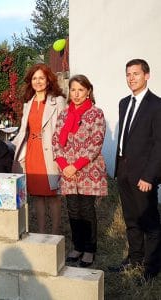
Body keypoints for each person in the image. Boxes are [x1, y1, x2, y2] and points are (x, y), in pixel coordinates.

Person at [110, 59, 161, 282]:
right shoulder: (123, 103)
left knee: (149, 223)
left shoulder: (157, 105)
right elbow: (126, 137)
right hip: (124, 171)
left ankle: (151, 268)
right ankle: (135, 258)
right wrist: (118, 169)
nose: (131, 78)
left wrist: (149, 176)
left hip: (144, 176)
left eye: (136, 74)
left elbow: (159, 144)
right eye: (128, 74)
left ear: (147, 76)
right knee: (131, 219)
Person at [52, 74, 108, 267]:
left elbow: (95, 143)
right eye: (73, 90)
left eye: (80, 90)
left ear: (88, 92)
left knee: (86, 210)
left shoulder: (96, 114)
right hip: (67, 171)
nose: (76, 94)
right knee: (73, 210)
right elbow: (56, 141)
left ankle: (90, 249)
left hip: (87, 171)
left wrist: (75, 166)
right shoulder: (64, 114)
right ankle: (77, 246)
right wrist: (64, 165)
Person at [12, 63, 66, 235]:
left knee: (53, 196)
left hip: (50, 153)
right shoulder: (28, 103)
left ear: (48, 80)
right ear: (30, 82)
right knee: (38, 196)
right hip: (32, 152)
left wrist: (62, 157)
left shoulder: (57, 101)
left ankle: (55, 234)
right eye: (35, 78)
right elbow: (23, 131)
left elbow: (63, 130)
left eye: (41, 78)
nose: (38, 81)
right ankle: (42, 233)